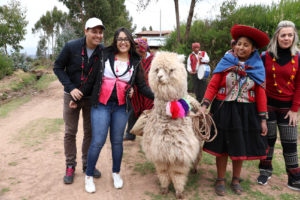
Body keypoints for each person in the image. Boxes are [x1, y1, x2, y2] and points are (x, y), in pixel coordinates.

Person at [71, 27, 154, 193]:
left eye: (126, 39)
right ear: (115, 41)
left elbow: (142, 86)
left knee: (117, 142)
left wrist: (159, 98)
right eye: (119, 39)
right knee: (98, 140)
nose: (123, 42)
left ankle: (116, 173)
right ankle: (89, 175)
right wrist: (77, 98)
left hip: (121, 107)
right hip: (101, 105)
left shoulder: (135, 61)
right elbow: (91, 80)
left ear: (130, 42)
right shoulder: (104, 55)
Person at [200, 24, 270, 196]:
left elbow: (261, 94)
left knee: (241, 146)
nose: (241, 47)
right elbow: (213, 85)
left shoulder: (257, 67)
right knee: (222, 146)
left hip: (246, 112)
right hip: (223, 110)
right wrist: (204, 106)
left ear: (253, 49)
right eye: (239, 44)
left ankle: (236, 179)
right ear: (234, 45)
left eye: (246, 45)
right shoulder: (226, 62)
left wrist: (263, 119)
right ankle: (220, 179)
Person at [53, 17, 104, 184]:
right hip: (71, 96)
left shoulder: (103, 51)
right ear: (86, 31)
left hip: (90, 98)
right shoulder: (71, 46)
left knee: (90, 132)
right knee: (70, 132)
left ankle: (87, 164)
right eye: (94, 31)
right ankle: (70, 165)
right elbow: (58, 67)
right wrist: (70, 87)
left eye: (100, 32)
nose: (98, 35)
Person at [257, 20, 300, 191]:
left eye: (290, 35)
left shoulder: (298, 57)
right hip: (267, 106)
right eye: (283, 35)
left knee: (290, 142)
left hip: (288, 108)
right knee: (268, 139)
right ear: (277, 36)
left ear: (294, 36)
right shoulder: (264, 56)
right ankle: (265, 170)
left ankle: (294, 176)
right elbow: (259, 81)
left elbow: (299, 85)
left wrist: (295, 109)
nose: (287, 38)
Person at [124, 38, 154, 141]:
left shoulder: (154, 59)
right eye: (135, 47)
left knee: (151, 112)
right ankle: (130, 134)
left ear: (144, 49)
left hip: (150, 89)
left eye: (138, 48)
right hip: (136, 89)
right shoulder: (133, 58)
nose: (136, 50)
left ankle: (150, 136)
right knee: (133, 110)